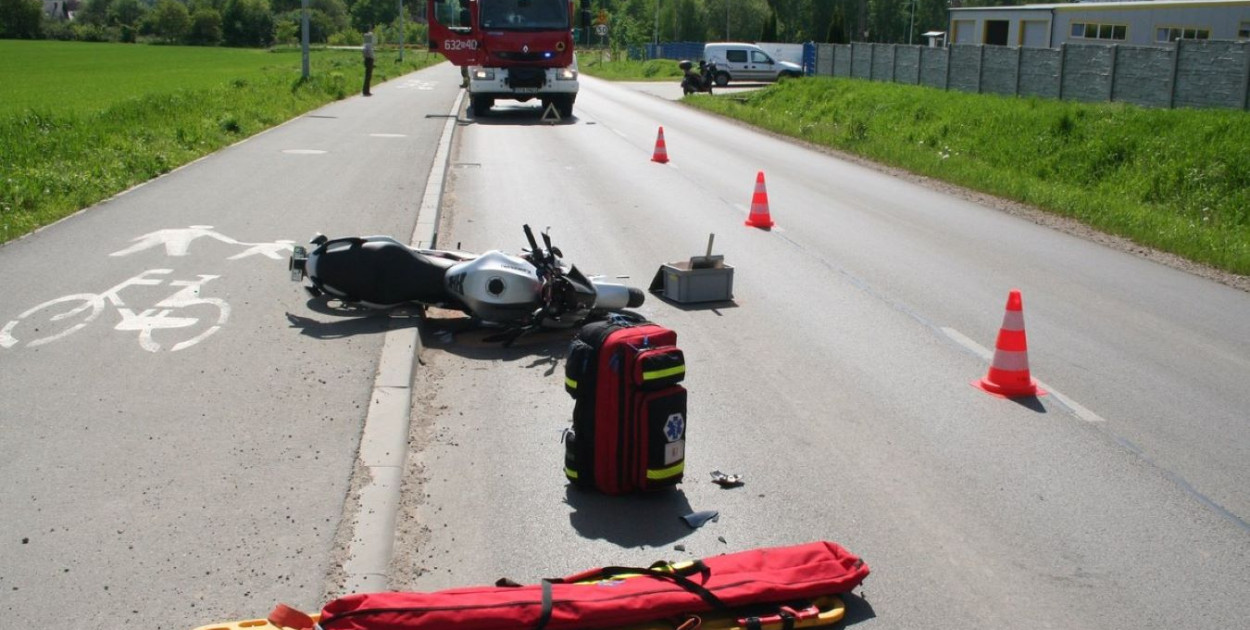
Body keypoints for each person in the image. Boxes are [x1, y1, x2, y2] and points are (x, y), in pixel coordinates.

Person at [362, 29, 375, 96]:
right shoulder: (368, 45)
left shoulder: (365, 44)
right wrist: (372, 58)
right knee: (368, 76)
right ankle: (366, 91)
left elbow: (364, 52)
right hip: (369, 60)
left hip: (367, 59)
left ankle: (366, 90)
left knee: (367, 76)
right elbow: (370, 53)